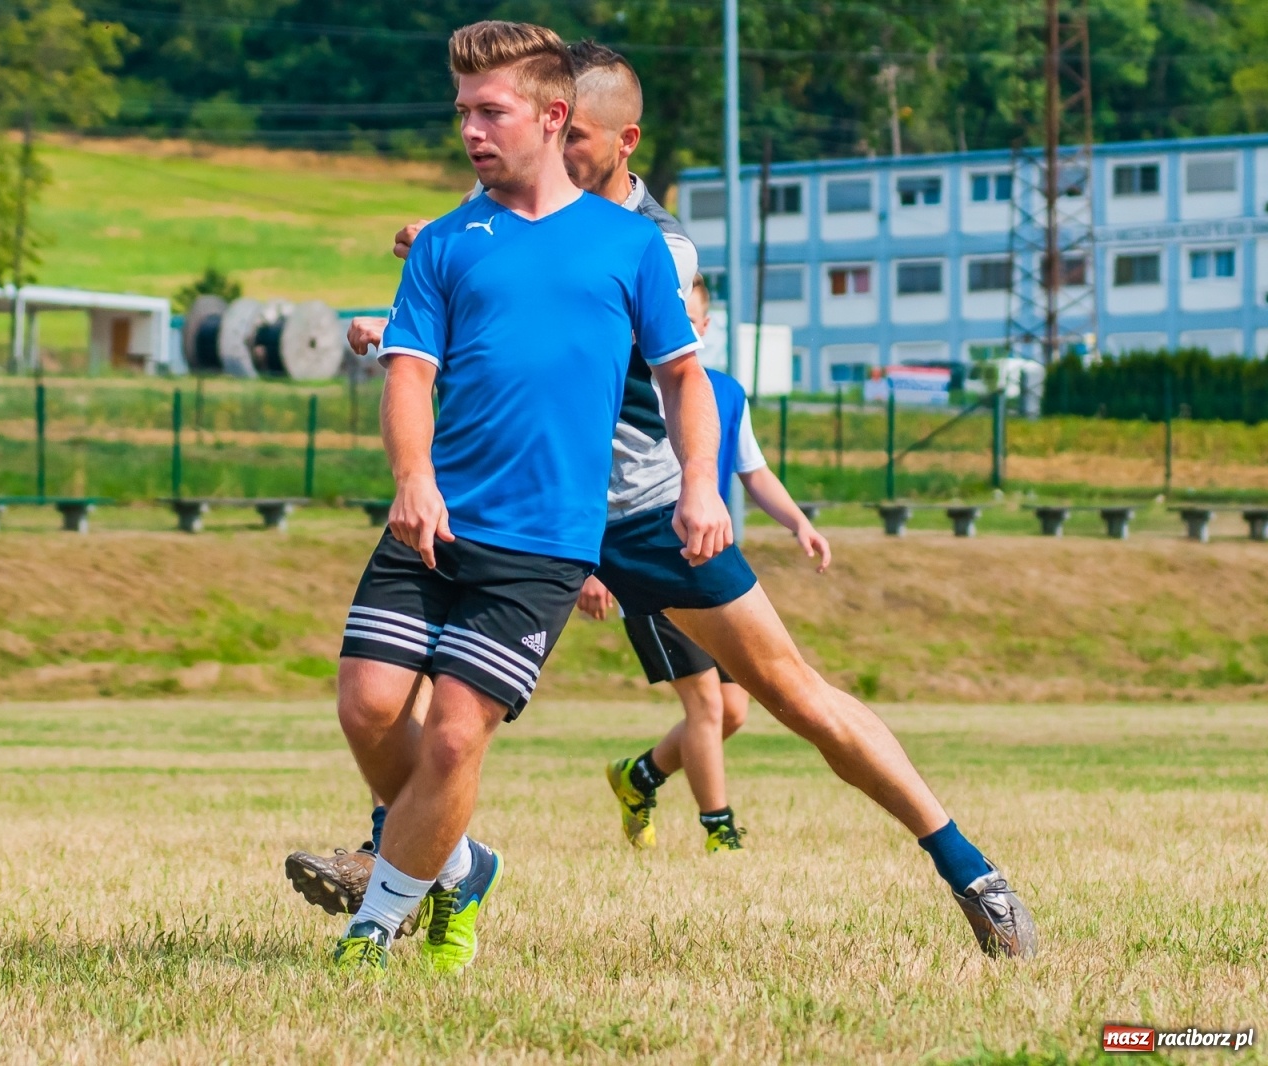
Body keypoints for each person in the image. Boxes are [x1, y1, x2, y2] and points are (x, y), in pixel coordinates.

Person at [299, 40, 1038, 963]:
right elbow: (490, 312)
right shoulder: (489, 217)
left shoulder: (660, 245)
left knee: (790, 693)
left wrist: (702, 488)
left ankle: (969, 869)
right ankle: (415, 860)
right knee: (394, 706)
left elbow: (617, 337)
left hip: (645, 511)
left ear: (611, 138)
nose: (554, 157)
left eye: (577, 144)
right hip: (521, 512)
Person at [329, 20, 728, 978]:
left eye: (489, 110)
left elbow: (683, 378)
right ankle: (458, 865)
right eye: (462, 110)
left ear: (554, 117)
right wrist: (413, 479)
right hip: (435, 519)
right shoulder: (447, 243)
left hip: (543, 542)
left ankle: (374, 926)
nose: (469, 128)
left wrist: (702, 488)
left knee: (459, 735)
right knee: (368, 710)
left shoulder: (634, 247)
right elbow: (410, 372)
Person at [586, 274, 828, 854]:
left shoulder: (724, 392)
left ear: (704, 326)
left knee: (736, 711)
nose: (675, 331)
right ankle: (720, 831)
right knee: (705, 704)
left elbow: (754, 472)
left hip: (711, 564)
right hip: (651, 561)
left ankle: (638, 776)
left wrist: (798, 522)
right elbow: (602, 481)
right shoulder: (627, 391)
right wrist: (590, 567)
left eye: (688, 321)